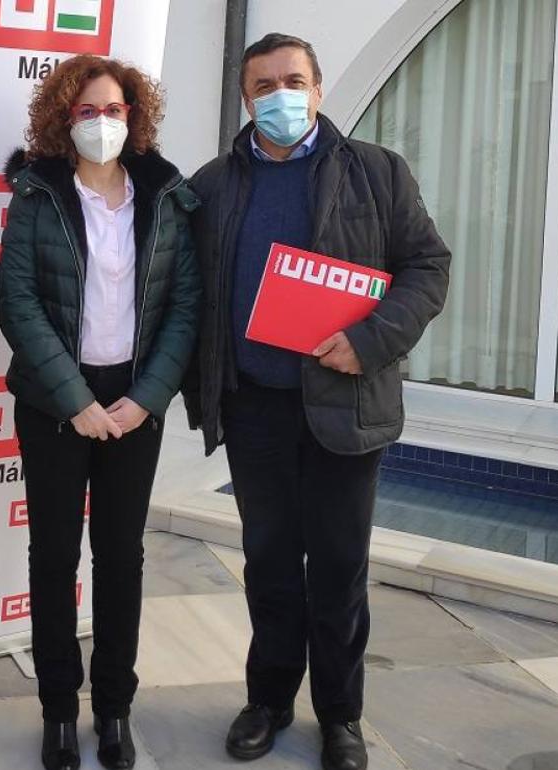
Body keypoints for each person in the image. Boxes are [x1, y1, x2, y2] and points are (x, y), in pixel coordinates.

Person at [184, 33, 451, 770]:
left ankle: (340, 717)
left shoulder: (377, 173)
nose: (280, 97)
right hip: (253, 409)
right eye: (263, 85)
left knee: (338, 571)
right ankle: (268, 701)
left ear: (319, 88)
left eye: (292, 81)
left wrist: (369, 341)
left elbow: (427, 268)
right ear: (245, 98)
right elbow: (189, 295)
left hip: (345, 406)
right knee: (268, 565)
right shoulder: (212, 184)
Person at [0, 56, 201, 770]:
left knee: (121, 558)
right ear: (63, 118)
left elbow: (184, 308)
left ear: (135, 116)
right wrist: (75, 399)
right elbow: (18, 305)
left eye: (114, 109)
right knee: (53, 558)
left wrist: (146, 399)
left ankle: (113, 708)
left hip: (135, 400)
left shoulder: (167, 195)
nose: (103, 122)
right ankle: (58, 711)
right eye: (87, 111)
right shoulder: (35, 195)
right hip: (57, 402)